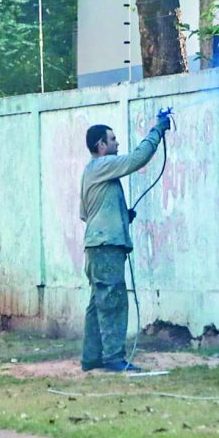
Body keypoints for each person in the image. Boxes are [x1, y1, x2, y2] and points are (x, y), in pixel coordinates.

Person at [80, 116, 170, 372]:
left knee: (98, 302)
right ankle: (113, 358)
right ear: (101, 145)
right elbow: (137, 159)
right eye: (113, 139)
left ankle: (91, 358)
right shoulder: (102, 165)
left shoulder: (91, 172)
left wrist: (120, 216)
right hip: (106, 246)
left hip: (97, 245)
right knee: (114, 302)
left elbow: (87, 214)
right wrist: (157, 130)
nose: (117, 143)